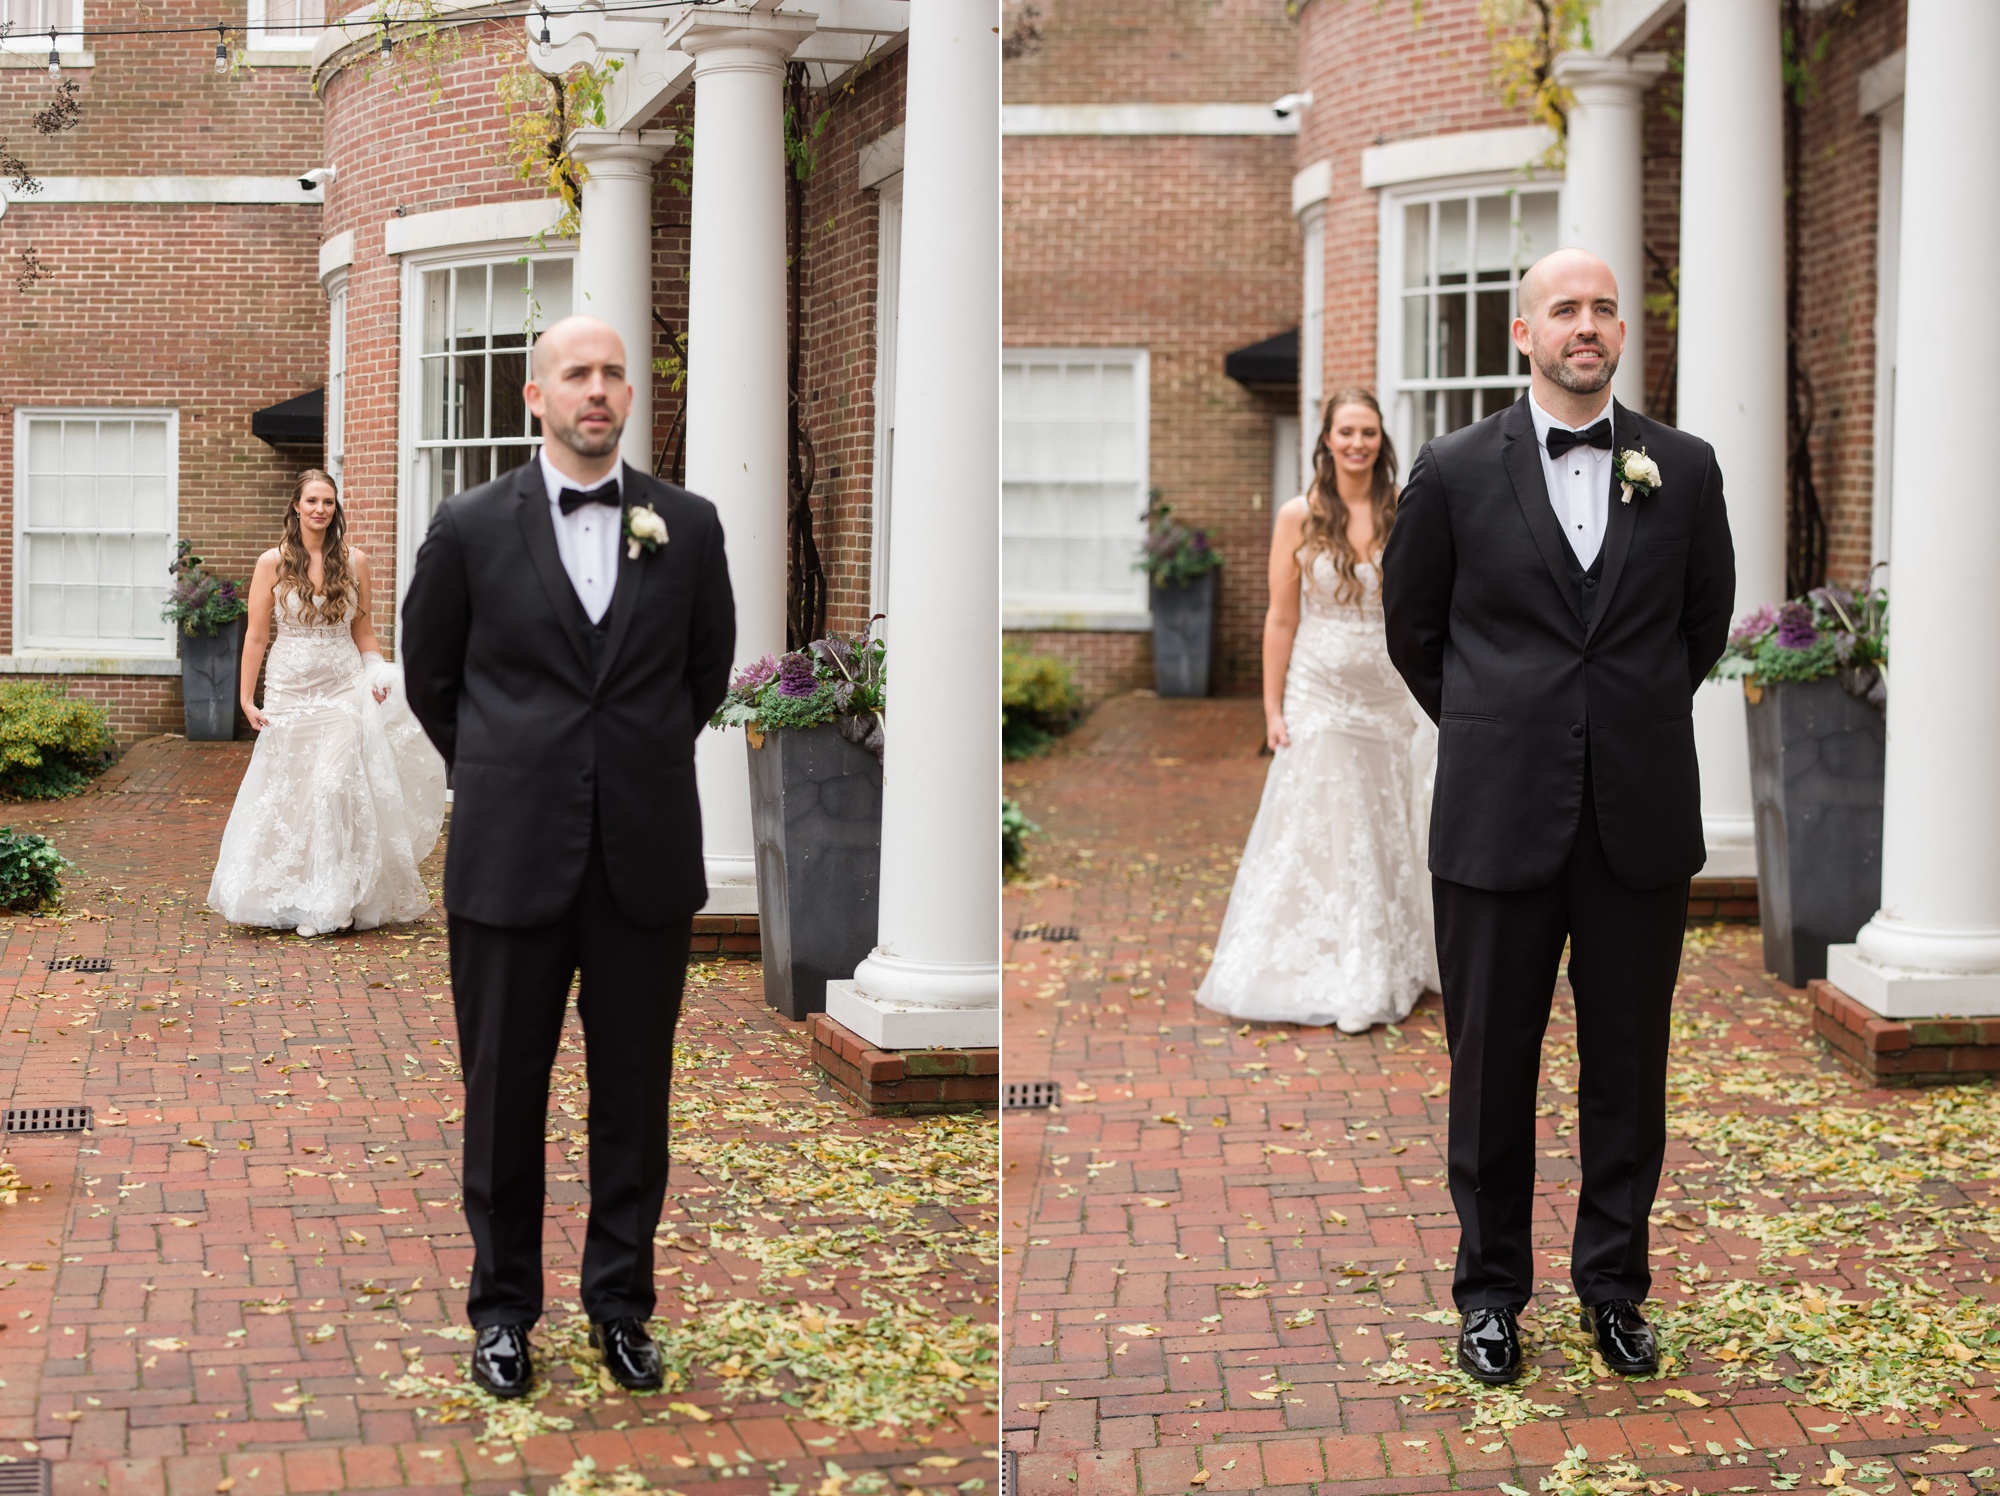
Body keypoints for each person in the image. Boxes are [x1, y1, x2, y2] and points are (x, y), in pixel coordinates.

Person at [1381, 248, 1735, 1386]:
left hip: (1637, 816)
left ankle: (1614, 1286)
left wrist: (1617, 718)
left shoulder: (1681, 467)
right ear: (1522, 334)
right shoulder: (1447, 470)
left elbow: (1699, 624)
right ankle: (1489, 1295)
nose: (1586, 324)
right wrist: (1498, 722)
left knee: (1628, 1068)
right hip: (1495, 816)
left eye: (1601, 308)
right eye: (1563, 309)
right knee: (1490, 1067)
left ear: (1618, 332)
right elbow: (1412, 632)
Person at [400, 315, 735, 1401]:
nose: (598, 389)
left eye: (612, 374)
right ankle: (502, 1313)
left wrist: (622, 763)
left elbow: (702, 675)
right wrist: (508, 767)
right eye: (576, 374)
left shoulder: (687, 523)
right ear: (533, 398)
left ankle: (621, 1306)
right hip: (508, 859)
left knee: (634, 1098)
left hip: (642, 858)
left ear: (628, 397)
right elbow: (430, 677)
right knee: (502, 1096)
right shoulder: (465, 527)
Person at [1197, 390, 1438, 1034]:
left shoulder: (1402, 509)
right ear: (1326, 440)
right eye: (1346, 431)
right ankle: (1343, 968)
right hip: (1321, 693)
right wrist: (1272, 709)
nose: (1357, 442)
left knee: (1390, 821)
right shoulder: (1297, 515)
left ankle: (1394, 955)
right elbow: (1281, 616)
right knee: (1338, 822)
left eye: (1368, 432)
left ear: (1380, 441)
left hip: (1391, 694)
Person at [208, 470, 447, 937]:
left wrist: (377, 673)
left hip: (342, 688)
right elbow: (256, 635)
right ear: (296, 506)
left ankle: (332, 897)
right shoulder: (270, 562)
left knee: (334, 785)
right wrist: (245, 697)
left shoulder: (354, 560)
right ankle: (291, 892)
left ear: (336, 509)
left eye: (329, 502)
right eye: (312, 501)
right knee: (291, 790)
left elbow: (364, 631)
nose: (321, 509)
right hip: (289, 691)